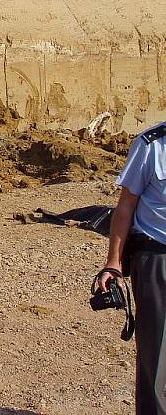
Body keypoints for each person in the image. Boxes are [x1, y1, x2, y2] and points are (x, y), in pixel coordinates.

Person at [98, 121, 166, 414]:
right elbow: (125, 205)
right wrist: (113, 262)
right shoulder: (151, 144)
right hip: (156, 257)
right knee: (156, 351)